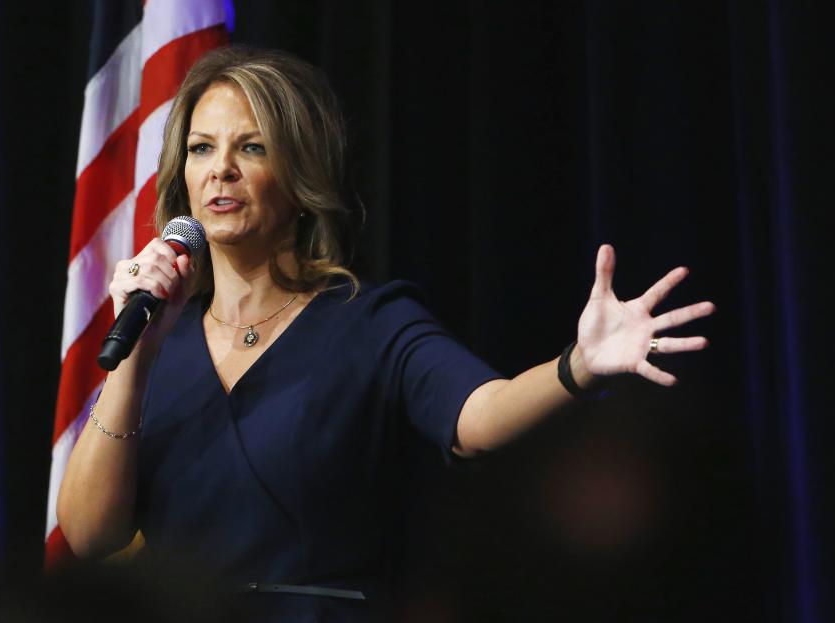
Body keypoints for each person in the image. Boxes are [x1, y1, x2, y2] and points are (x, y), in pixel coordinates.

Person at [56, 46, 715, 622]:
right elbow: (89, 536)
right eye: (202, 148)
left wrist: (577, 364)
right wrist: (134, 360)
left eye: (250, 147)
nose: (220, 169)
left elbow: (477, 415)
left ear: (300, 173)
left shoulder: (367, 321)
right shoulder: (156, 343)